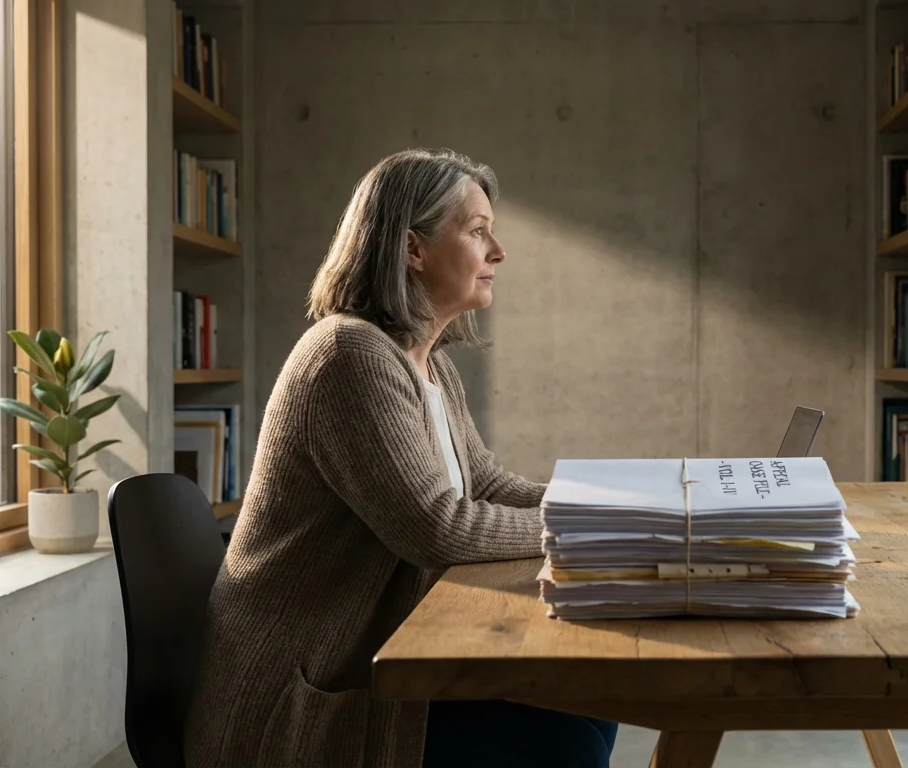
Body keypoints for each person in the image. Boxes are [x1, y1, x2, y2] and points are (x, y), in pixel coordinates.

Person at [182, 149, 617, 768]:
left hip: (375, 666)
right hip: (298, 701)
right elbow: (437, 528)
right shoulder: (348, 356)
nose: (499, 252)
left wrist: (605, 503)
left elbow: (485, 484)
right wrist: (589, 528)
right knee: (566, 741)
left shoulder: (426, 362)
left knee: (586, 701)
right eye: (477, 232)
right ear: (413, 249)